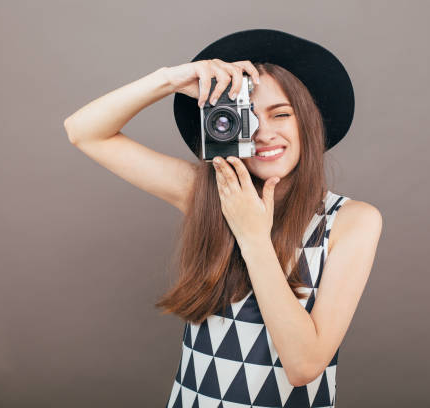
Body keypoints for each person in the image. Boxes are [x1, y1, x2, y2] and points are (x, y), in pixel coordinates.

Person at [64, 29, 382, 408]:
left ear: (308, 123)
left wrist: (253, 238)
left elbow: (303, 365)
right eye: (246, 115)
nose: (263, 133)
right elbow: (83, 132)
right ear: (223, 125)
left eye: (280, 114)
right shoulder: (210, 198)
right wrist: (168, 80)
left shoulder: (351, 221)